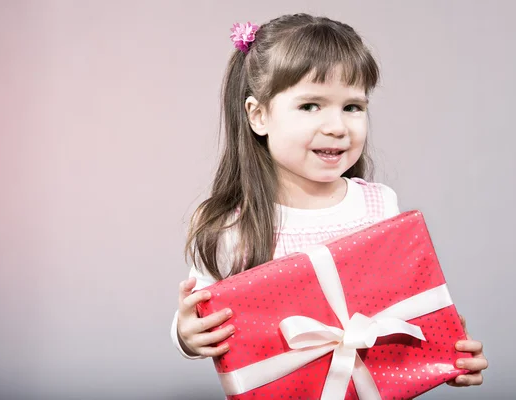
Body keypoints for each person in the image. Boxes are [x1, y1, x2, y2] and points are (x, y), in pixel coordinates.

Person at [171, 13, 488, 388]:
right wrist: (186, 334)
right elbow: (200, 318)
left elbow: (401, 310)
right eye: (311, 106)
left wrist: (443, 349)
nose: (337, 127)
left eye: (352, 107)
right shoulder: (232, 226)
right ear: (258, 116)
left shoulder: (380, 206)